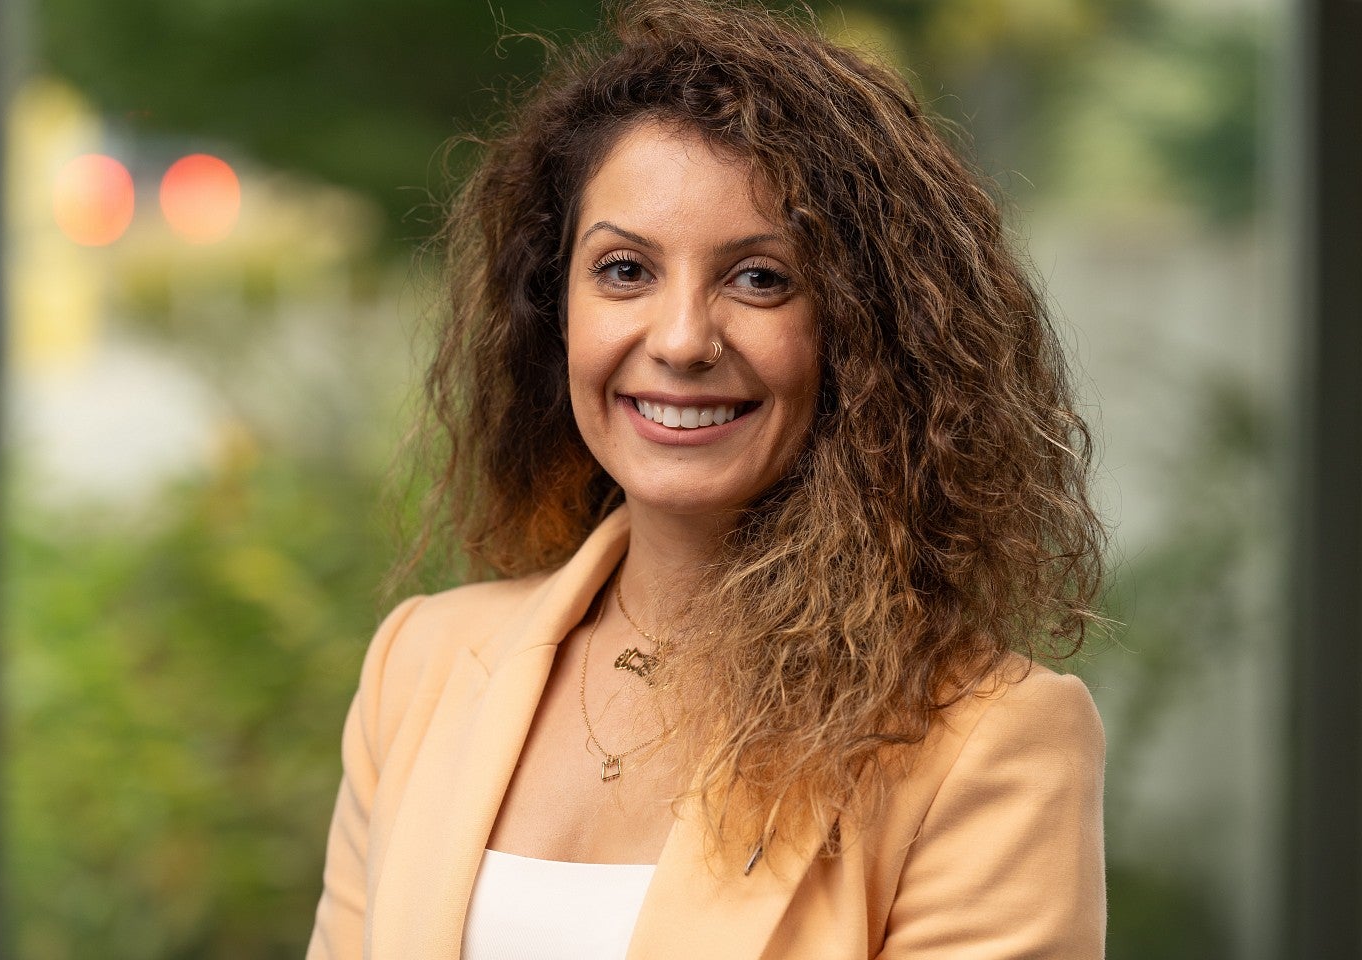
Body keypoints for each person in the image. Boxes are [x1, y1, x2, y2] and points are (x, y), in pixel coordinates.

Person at [307, 0, 1107, 957]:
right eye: (624, 270)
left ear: (865, 335)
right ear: (553, 310)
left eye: (761, 278)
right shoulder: (420, 666)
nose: (682, 340)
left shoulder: (991, 741)